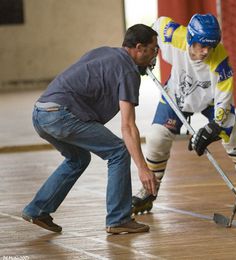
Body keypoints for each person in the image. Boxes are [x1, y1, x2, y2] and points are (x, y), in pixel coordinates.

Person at [22, 24, 159, 234]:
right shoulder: (128, 71)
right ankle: (118, 218)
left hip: (40, 113)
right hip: (60, 114)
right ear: (139, 48)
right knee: (119, 151)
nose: (154, 56)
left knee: (78, 159)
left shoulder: (105, 52)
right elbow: (128, 126)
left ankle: (38, 209)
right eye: (153, 50)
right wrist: (143, 168)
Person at [131, 14, 236, 214]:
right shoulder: (173, 35)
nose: (206, 51)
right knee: (156, 138)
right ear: (190, 39)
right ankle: (150, 190)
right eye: (201, 45)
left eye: (210, 46)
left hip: (210, 99)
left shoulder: (220, 60)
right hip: (177, 94)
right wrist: (146, 57)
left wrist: (214, 127)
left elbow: (224, 98)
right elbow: (154, 28)